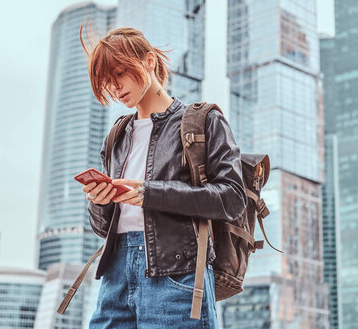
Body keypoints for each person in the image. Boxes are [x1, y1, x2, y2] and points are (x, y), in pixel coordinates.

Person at [80, 25, 246, 329]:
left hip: (177, 275)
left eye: (119, 73)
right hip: (115, 275)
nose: (115, 88)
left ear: (148, 61)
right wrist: (99, 202)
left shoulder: (203, 120)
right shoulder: (117, 135)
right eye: (107, 81)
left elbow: (233, 198)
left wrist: (151, 193)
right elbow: (104, 228)